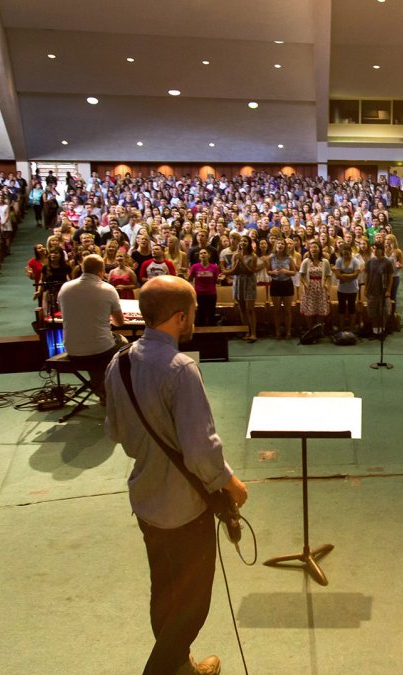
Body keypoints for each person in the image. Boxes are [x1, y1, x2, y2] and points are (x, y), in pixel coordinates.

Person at [103, 275, 248, 675]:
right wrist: (232, 485)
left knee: (164, 590)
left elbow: (114, 431)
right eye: (194, 314)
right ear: (181, 317)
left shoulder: (120, 361)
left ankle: (180, 666)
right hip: (184, 507)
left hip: (146, 498)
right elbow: (202, 452)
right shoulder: (181, 369)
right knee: (193, 603)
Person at [58, 255, 126, 403]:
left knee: (94, 341)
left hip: (71, 349)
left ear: (82, 268)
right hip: (100, 352)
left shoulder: (65, 287)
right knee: (123, 344)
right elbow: (119, 323)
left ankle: (101, 391)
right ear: (102, 271)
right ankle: (115, 391)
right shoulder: (108, 289)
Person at [364, 239, 395, 338]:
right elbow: (367, 276)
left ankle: (382, 331)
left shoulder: (387, 262)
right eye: (373, 249)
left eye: (377, 249)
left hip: (383, 291)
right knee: (373, 313)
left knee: (383, 312)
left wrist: (388, 290)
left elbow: (390, 278)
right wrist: (365, 288)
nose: (375, 251)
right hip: (372, 291)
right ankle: (375, 331)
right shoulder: (370, 262)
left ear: (382, 250)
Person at [266, 240, 297, 339]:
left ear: (285, 246)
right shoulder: (271, 257)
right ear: (275, 245)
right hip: (275, 284)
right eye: (279, 243)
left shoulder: (289, 258)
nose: (280, 245)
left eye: (282, 244)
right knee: (277, 310)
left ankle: (288, 332)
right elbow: (268, 272)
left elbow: (294, 272)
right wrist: (273, 272)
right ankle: (278, 332)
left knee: (287, 310)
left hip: (287, 283)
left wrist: (286, 271)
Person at [332, 240, 361, 333]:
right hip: (342, 289)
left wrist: (344, 275)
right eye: (344, 254)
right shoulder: (339, 260)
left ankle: (351, 329)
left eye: (348, 254)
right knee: (341, 308)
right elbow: (337, 275)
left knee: (352, 308)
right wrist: (350, 275)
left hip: (353, 288)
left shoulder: (355, 261)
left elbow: (356, 275)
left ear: (350, 252)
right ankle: (342, 328)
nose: (346, 256)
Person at [187, 249, 220, 327]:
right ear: (199, 257)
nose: (203, 254)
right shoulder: (195, 267)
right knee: (201, 312)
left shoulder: (214, 267)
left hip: (211, 293)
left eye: (205, 253)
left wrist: (220, 279)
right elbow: (190, 279)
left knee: (211, 313)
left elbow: (217, 281)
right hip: (199, 293)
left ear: (209, 255)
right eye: (201, 253)